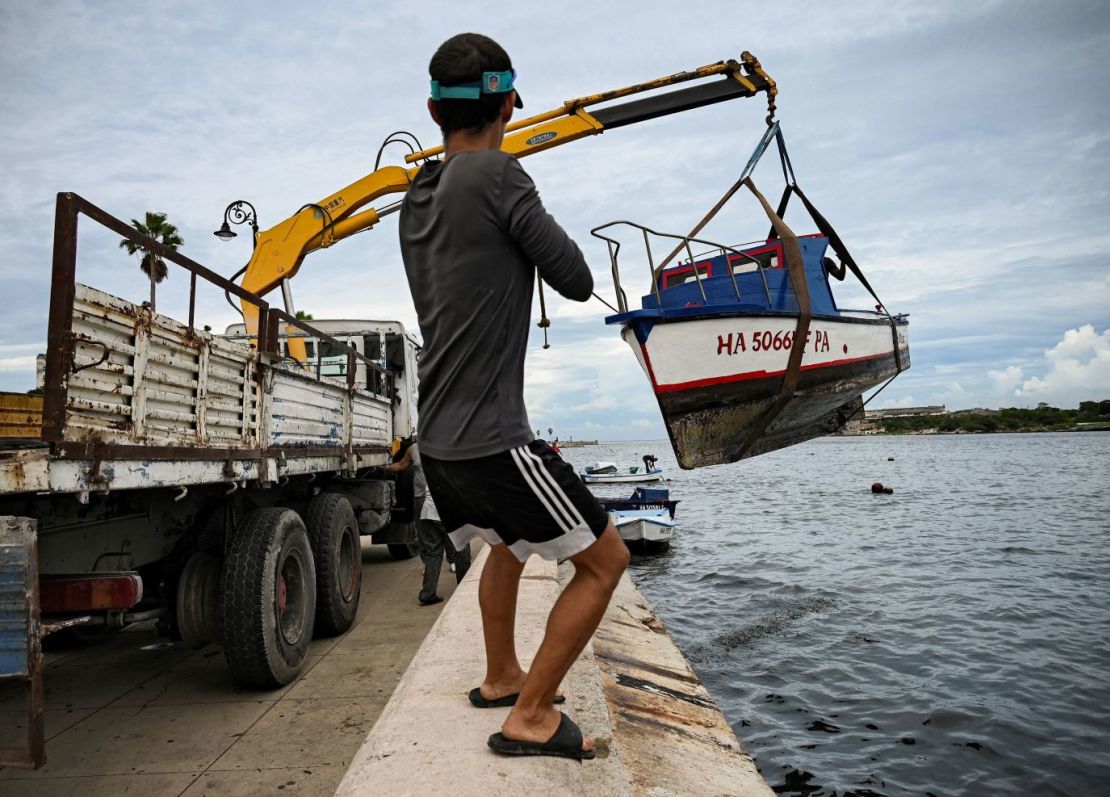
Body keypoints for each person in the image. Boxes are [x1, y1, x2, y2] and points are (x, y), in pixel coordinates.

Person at [398, 32, 628, 761]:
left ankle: (502, 674)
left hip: (437, 439)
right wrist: (516, 186)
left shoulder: (415, 197)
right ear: (504, 106)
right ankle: (530, 715)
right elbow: (576, 277)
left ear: (434, 110)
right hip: (492, 437)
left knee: (506, 541)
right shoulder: (502, 176)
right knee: (605, 561)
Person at [386, 440, 469, 604]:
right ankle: (464, 587)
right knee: (462, 550)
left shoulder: (431, 459)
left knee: (433, 553)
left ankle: (427, 593)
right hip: (447, 512)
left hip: (427, 511)